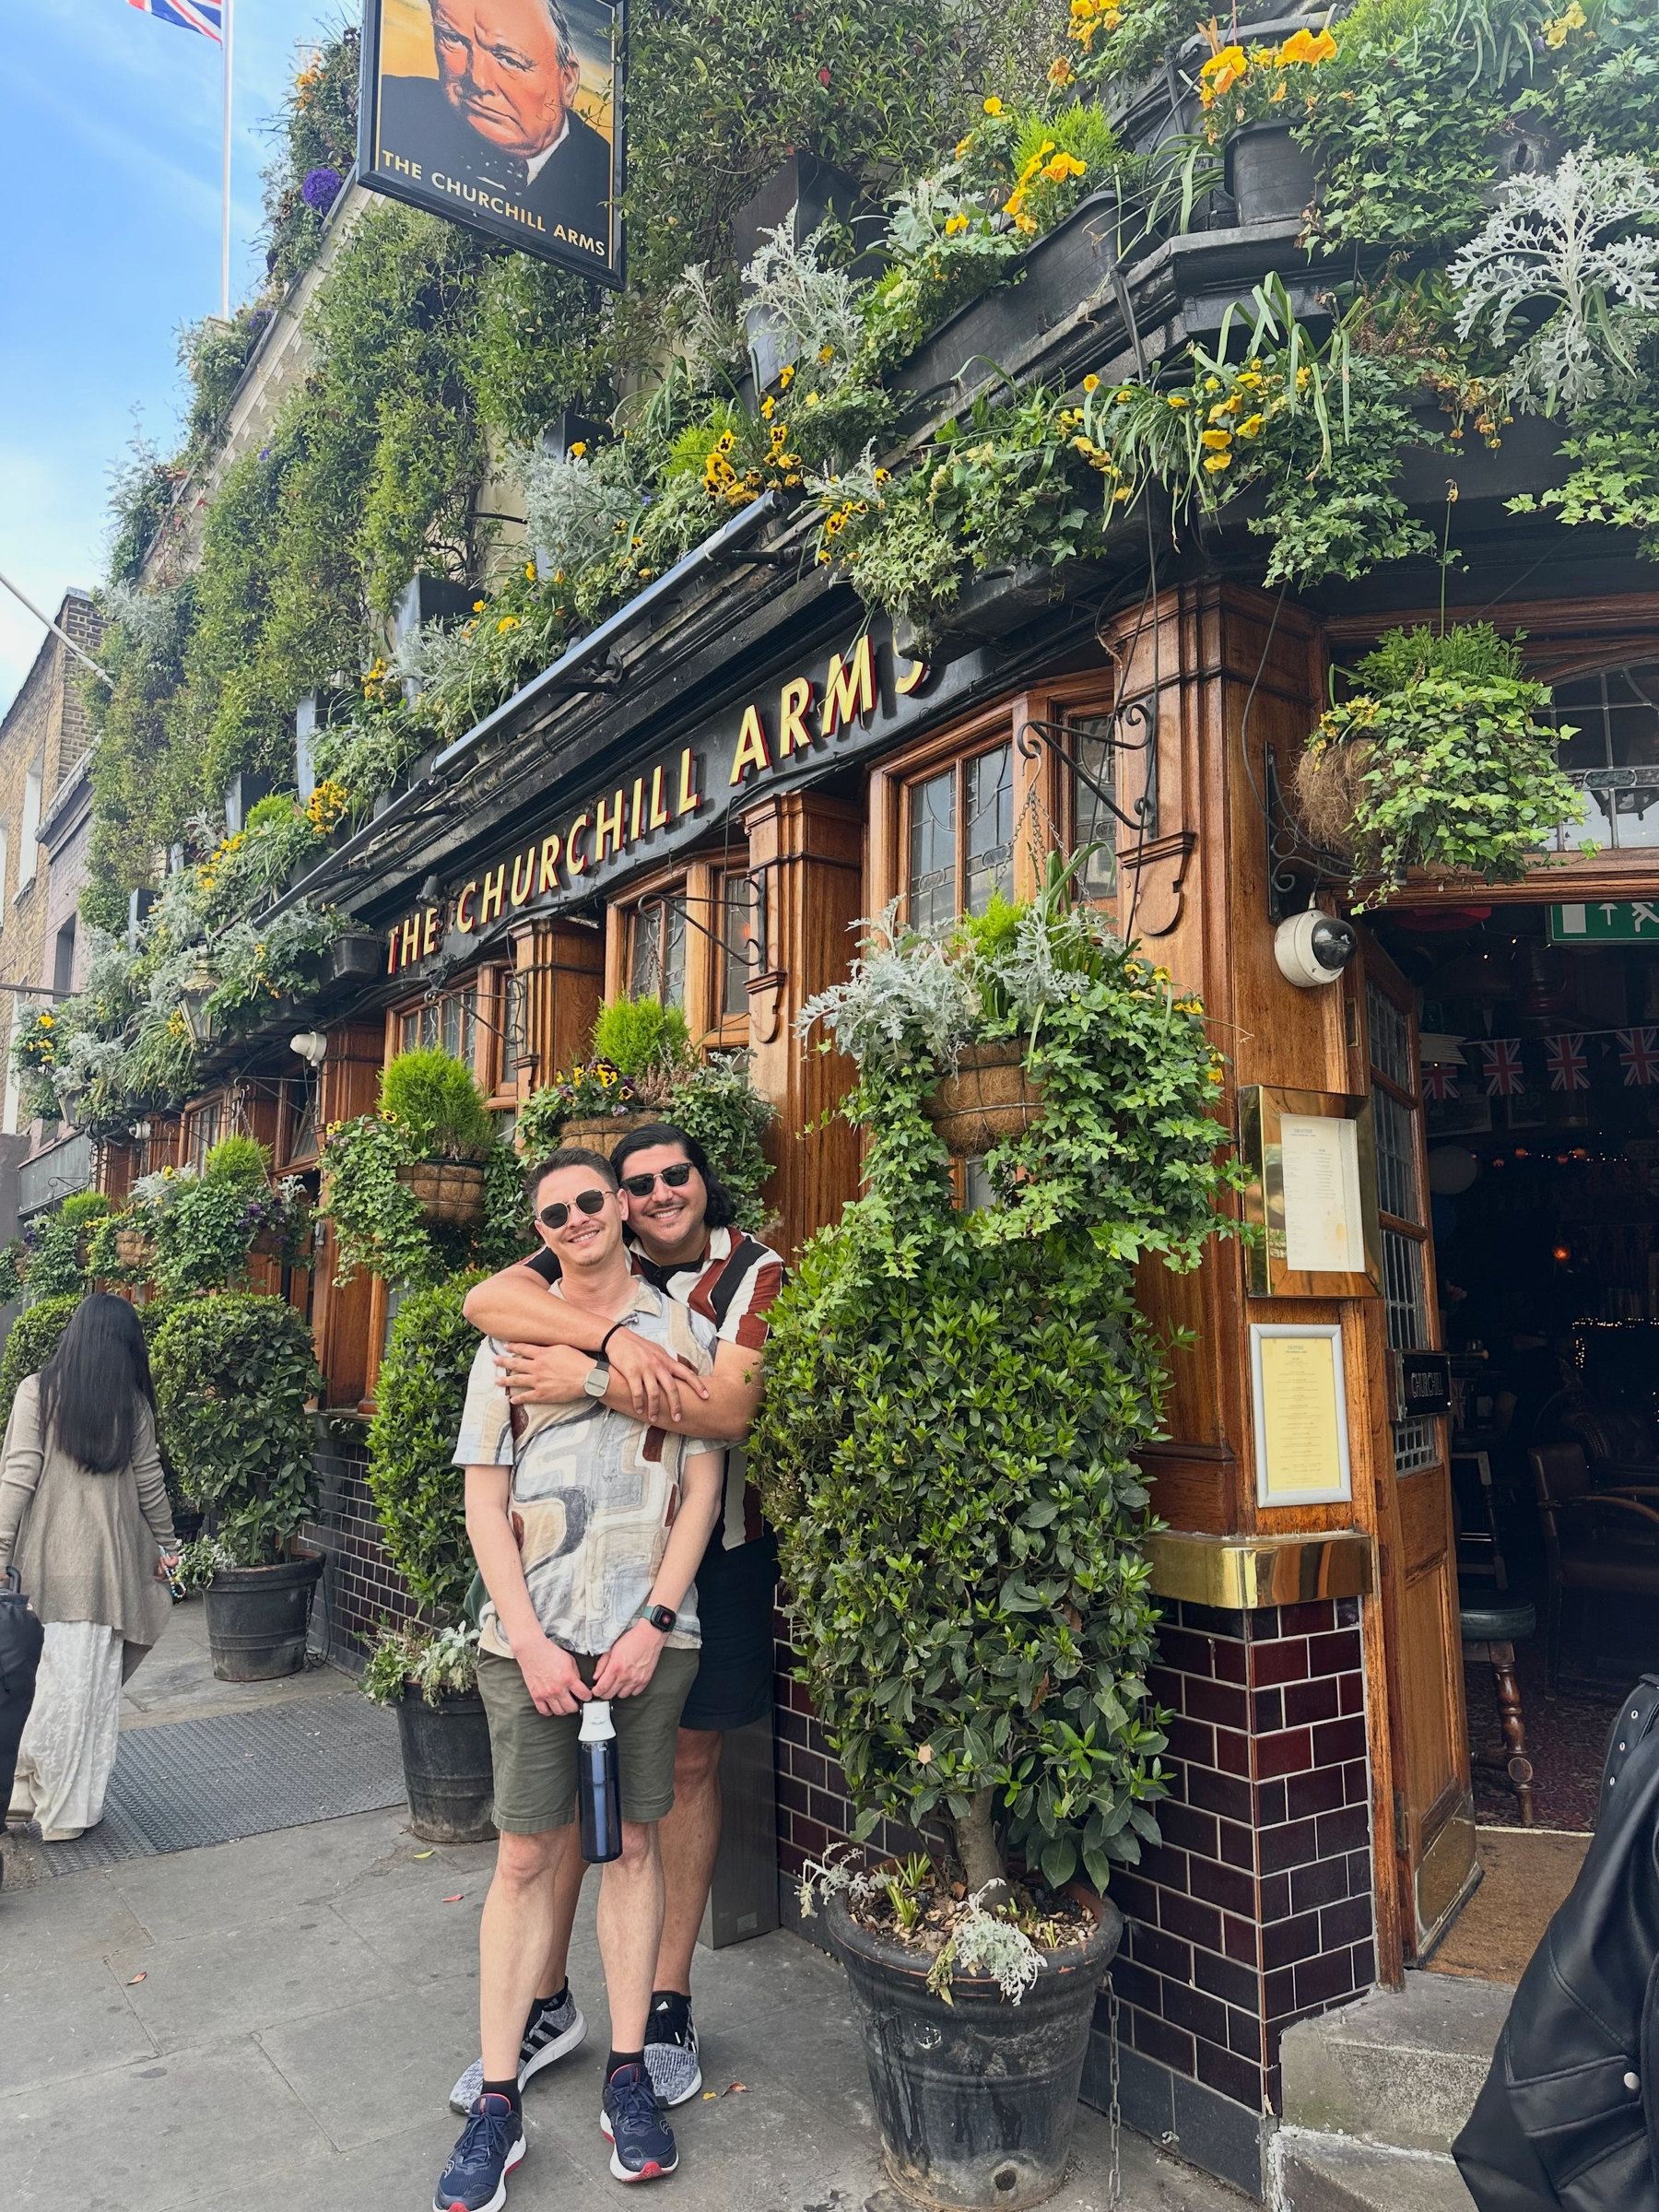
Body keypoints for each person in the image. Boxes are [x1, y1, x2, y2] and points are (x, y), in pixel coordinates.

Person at [447, 1122, 783, 2118]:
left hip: (703, 1553)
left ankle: (664, 2003)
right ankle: (544, 1999)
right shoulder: (604, 1257)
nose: (654, 1194)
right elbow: (486, 1300)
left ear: (702, 1183)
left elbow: (724, 1416)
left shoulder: (750, 1272)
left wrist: (588, 1376)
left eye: (674, 1175)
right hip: (564, 1571)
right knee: (546, 1813)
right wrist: (610, 1337)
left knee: (679, 1772)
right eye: (633, 1185)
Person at [0, 1295, 179, 1843]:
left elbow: (17, 1477)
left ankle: (22, 1792)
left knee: (40, 1685)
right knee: (84, 1694)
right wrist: (169, 1546)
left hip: (43, 1570)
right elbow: (150, 1485)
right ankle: (66, 1810)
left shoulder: (38, 1392)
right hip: (107, 1573)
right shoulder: (131, 1405)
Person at [377, 0, 613, 261]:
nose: (478, 79)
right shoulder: (390, 106)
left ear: (567, 81)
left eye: (508, 59)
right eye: (452, 38)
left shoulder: (609, 184)